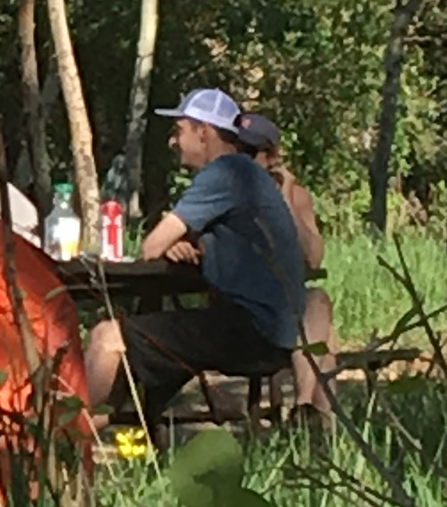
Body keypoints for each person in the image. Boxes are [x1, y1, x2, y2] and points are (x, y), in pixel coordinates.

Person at [84, 88, 307, 431]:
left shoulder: (224, 172)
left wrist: (173, 239)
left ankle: (61, 439)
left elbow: (150, 246)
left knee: (107, 336)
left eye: (178, 131)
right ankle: (106, 427)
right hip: (278, 331)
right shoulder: (250, 174)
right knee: (150, 346)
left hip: (250, 330)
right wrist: (190, 239)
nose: (173, 142)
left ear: (204, 131)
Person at [234, 112, 338, 417]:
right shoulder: (228, 192)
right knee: (325, 338)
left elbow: (314, 258)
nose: (243, 160)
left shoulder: (296, 196)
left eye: (250, 153)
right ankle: (313, 416)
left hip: (289, 309)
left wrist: (287, 203)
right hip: (248, 311)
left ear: (271, 156)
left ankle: (307, 415)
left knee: (318, 304)